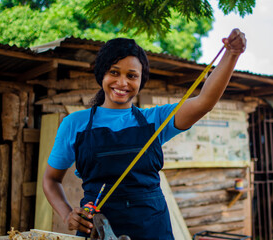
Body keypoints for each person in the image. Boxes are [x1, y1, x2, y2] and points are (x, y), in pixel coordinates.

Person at [43, 29, 246, 240]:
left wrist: (232, 54)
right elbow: (50, 179)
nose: (122, 83)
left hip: (152, 229)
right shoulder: (74, 124)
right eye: (114, 72)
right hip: (97, 230)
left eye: (132, 76)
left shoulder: (156, 120)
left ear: (141, 80)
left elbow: (204, 102)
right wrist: (67, 215)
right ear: (102, 73)